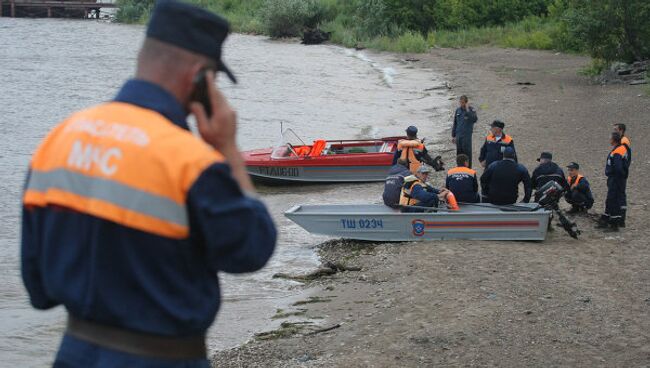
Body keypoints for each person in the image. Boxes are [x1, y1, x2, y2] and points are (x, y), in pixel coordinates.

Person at [21, 2, 277, 367]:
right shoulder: (191, 161)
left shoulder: (57, 140)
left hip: (74, 353)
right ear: (200, 78)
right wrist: (229, 150)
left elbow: (38, 289)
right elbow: (252, 248)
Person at [597, 132, 631, 231]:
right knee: (610, 199)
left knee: (613, 200)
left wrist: (616, 178)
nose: (609, 140)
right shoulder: (618, 149)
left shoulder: (618, 151)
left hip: (616, 179)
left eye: (610, 138)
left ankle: (614, 224)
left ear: (614, 139)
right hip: (615, 179)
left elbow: (618, 167)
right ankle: (606, 220)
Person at [451, 95, 478, 167]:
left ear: (466, 102)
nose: (461, 104)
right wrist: (453, 136)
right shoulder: (458, 110)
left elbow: (474, 119)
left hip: (466, 137)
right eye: (460, 102)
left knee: (467, 154)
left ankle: (468, 170)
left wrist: (467, 110)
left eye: (463, 102)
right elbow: (455, 123)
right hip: (458, 136)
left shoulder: (471, 110)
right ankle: (459, 168)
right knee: (459, 155)